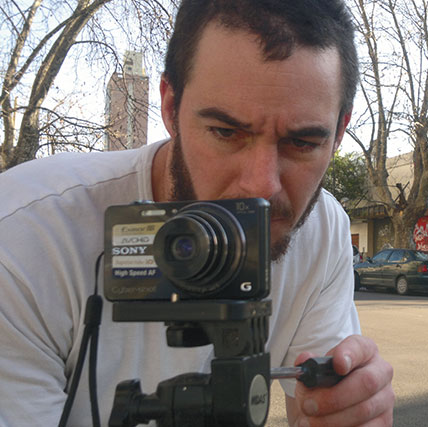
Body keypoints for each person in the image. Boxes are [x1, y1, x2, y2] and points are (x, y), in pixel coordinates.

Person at [0, 1, 394, 426]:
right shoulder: (26, 235)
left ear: (338, 133)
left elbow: (312, 409)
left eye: (301, 143)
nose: (262, 186)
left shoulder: (322, 228)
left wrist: (347, 410)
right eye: (226, 132)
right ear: (170, 108)